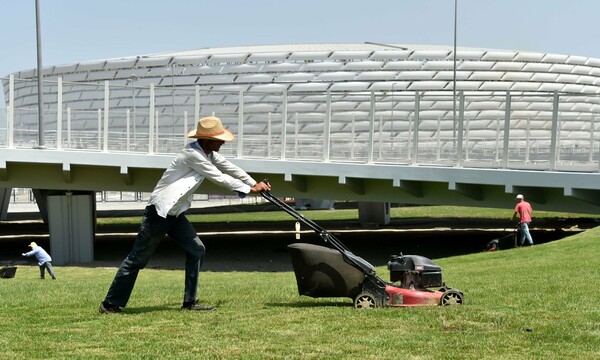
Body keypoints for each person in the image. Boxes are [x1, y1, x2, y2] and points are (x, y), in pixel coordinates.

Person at [99, 116, 271, 314]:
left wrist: (254, 183)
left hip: (175, 214)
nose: (223, 142)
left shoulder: (208, 154)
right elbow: (218, 177)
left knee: (197, 249)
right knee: (138, 259)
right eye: (219, 139)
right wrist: (250, 190)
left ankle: (190, 302)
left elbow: (230, 168)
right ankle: (110, 304)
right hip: (159, 213)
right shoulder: (192, 155)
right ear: (207, 141)